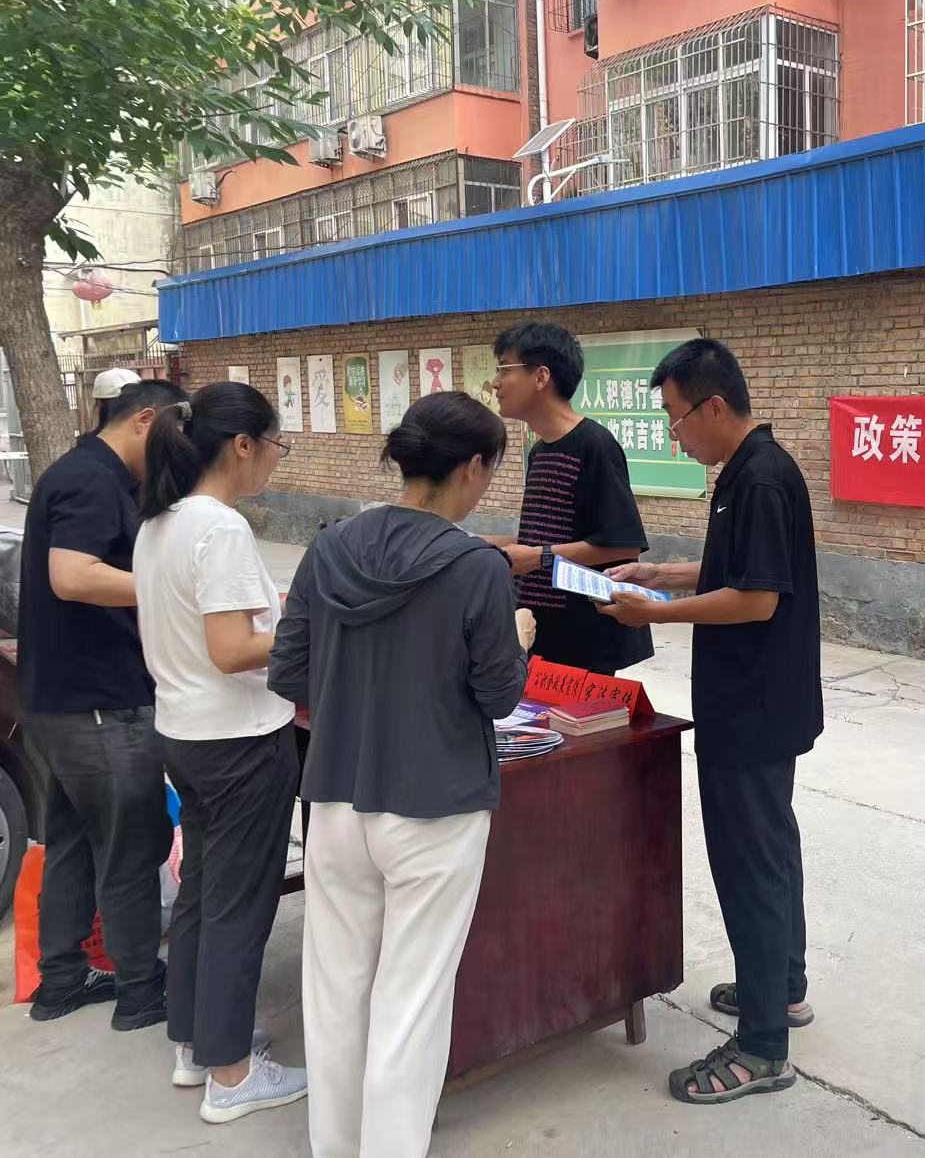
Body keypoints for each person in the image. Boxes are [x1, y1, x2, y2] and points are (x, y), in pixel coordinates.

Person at [269, 391, 530, 1158]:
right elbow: (499, 696)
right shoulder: (477, 567)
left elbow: (289, 672)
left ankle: (336, 1146)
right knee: (411, 1000)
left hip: (336, 800)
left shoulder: (330, 547)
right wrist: (518, 638)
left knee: (336, 987)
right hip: (436, 807)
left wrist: (358, 692)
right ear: (473, 467)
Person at [599, 339, 823, 1104]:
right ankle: (781, 989)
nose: (674, 434)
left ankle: (762, 1047)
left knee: (750, 865)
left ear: (714, 405)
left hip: (752, 706)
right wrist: (661, 574)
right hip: (763, 701)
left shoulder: (758, 477)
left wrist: (653, 610)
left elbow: (755, 599)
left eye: (676, 416)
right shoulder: (752, 470)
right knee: (771, 851)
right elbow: (744, 570)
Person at [133, 382, 306, 1124]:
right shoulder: (222, 528)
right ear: (242, 445)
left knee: (204, 894)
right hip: (239, 741)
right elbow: (233, 649)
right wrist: (307, 629)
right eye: (275, 445)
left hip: (186, 733)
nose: (275, 459)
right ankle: (233, 1078)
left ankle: (196, 1042)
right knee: (239, 905)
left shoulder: (160, 522)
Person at [19, 378, 186, 1029]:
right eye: (172, 435)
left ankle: (60, 980)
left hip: (65, 700)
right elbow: (72, 575)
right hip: (97, 704)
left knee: (74, 842)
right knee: (131, 846)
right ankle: (141, 989)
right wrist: (171, 585)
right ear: (145, 420)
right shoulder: (90, 479)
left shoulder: (93, 474)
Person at [486, 321, 653, 674]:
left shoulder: (594, 445)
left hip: (585, 639)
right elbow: (553, 534)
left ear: (540, 376)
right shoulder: (539, 450)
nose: (495, 383)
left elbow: (622, 545)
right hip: (540, 629)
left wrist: (538, 557)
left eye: (504, 369)